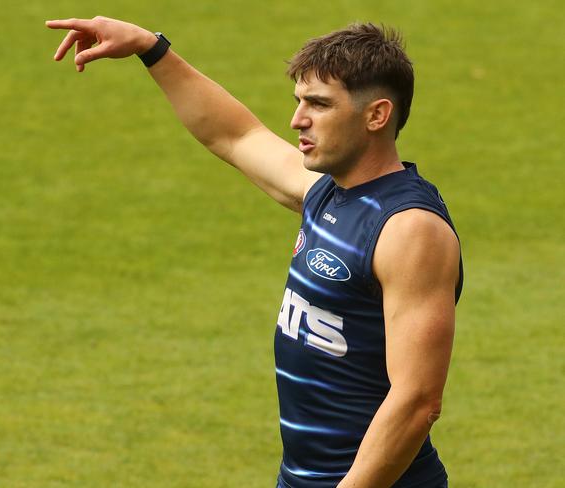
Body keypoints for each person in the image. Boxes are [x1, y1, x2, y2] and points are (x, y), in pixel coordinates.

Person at [46, 16, 463, 488]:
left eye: (319, 105)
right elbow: (235, 135)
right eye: (299, 101)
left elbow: (417, 399)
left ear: (377, 116)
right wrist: (151, 49)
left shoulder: (409, 230)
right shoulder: (328, 192)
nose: (297, 119)